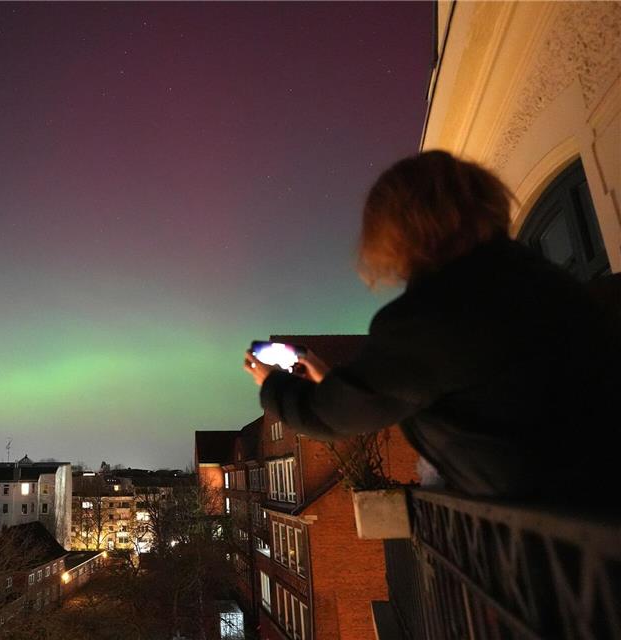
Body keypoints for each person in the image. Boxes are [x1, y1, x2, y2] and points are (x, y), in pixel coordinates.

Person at [244, 150, 621, 502]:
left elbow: (330, 416)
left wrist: (273, 385)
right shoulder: (540, 279)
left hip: (559, 532)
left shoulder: (429, 318)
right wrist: (332, 380)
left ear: (396, 230)